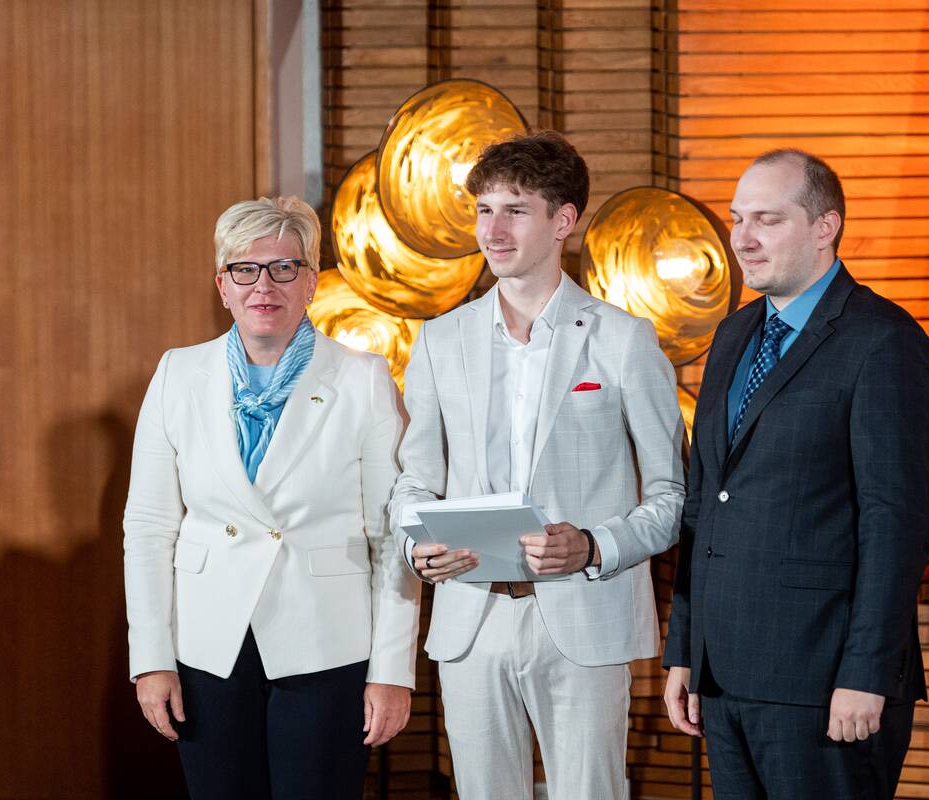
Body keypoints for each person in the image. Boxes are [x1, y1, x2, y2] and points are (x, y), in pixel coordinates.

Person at [389, 131, 685, 800]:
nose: (492, 230)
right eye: (484, 209)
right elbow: (414, 479)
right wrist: (417, 545)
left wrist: (594, 544)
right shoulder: (438, 340)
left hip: (585, 615)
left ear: (562, 220)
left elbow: (671, 495)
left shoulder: (623, 339)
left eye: (515, 211)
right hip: (471, 618)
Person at [662, 150, 929, 799]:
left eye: (767, 219)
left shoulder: (885, 341)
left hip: (827, 685)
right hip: (723, 679)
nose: (743, 238)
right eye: (737, 219)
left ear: (825, 227)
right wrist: (685, 650)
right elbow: (704, 504)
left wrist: (868, 673)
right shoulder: (733, 336)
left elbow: (893, 526)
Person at [123, 196, 421, 800]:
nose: (264, 285)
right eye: (245, 269)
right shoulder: (178, 373)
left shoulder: (363, 378)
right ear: (223, 286)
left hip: (325, 644)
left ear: (311, 283)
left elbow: (393, 535)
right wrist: (151, 658)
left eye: (284, 267)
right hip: (208, 646)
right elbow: (149, 528)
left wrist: (393, 669)